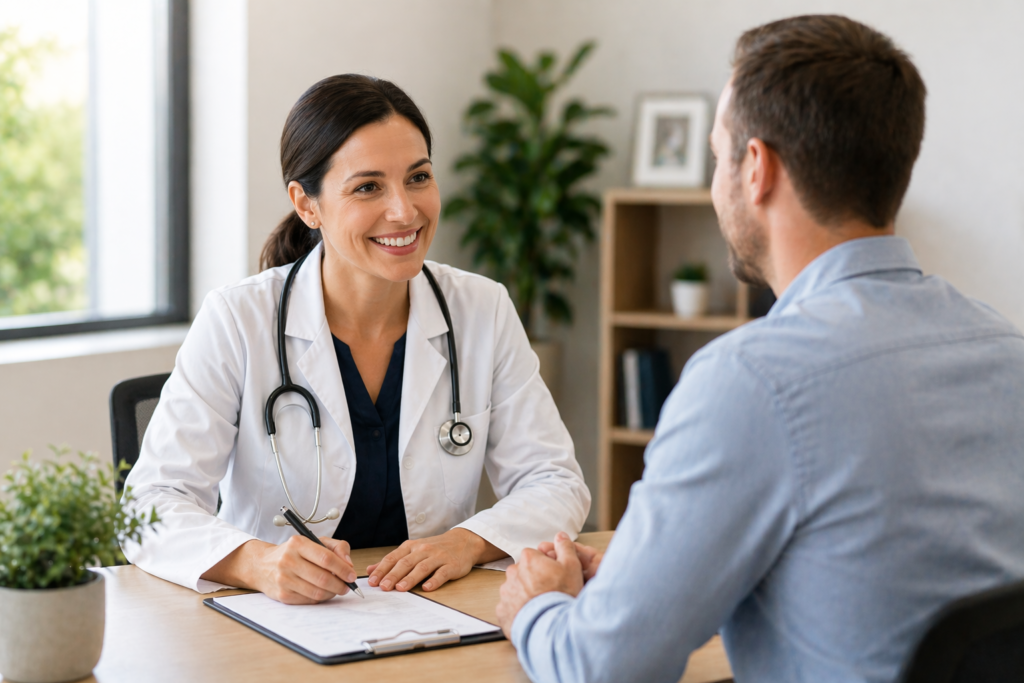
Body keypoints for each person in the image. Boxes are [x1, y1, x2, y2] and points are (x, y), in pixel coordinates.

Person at [495, 14, 1024, 683]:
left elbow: (600, 668)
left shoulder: (751, 379)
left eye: (719, 156)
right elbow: (881, 591)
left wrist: (536, 606)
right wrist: (655, 578)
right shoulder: (1007, 351)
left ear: (756, 169)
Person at [121, 74, 590, 604]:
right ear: (307, 204)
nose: (404, 211)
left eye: (418, 177)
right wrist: (259, 563)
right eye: (368, 187)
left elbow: (555, 481)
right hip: (276, 620)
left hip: (432, 612)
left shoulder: (481, 309)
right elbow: (149, 504)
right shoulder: (236, 319)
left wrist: (468, 542)